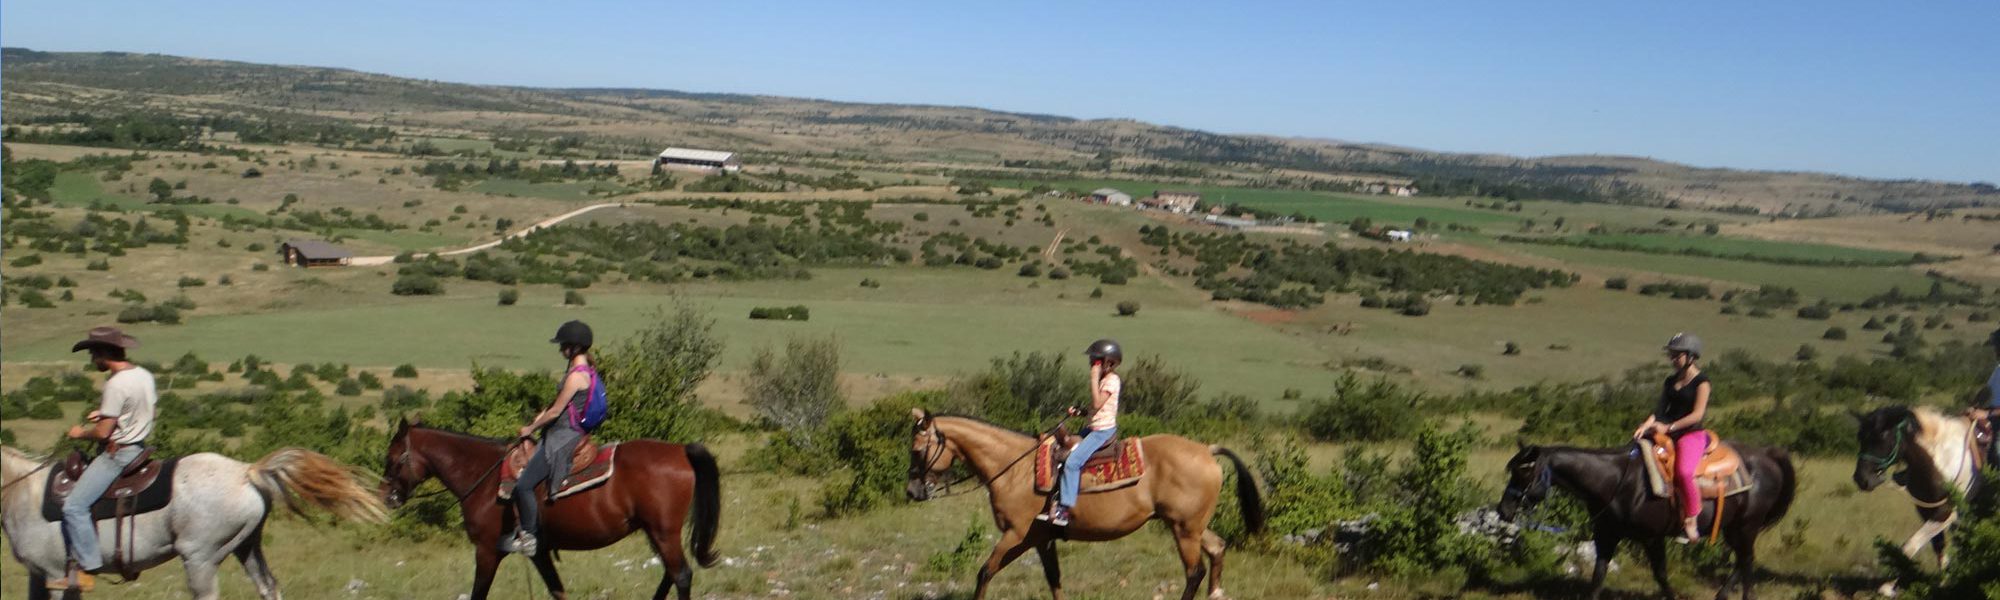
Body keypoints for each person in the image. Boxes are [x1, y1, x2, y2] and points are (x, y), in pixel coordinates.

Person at [60, 327, 157, 590]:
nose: (92, 360)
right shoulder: (143, 374)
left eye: (94, 354)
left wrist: (81, 433)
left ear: (105, 353)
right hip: (140, 446)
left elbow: (104, 432)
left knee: (74, 507)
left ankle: (88, 567)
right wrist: (104, 412)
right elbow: (141, 410)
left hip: (119, 454)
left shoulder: (115, 383)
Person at [503, 320, 600, 557]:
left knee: (524, 486)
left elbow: (557, 412)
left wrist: (530, 428)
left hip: (562, 437)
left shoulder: (576, 376)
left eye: (563, 346)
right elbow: (557, 406)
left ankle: (530, 536)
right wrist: (540, 417)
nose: (560, 350)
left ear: (573, 348)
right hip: (564, 431)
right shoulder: (584, 371)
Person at [1632, 332, 1710, 542]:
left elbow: (1697, 415)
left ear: (1691, 356)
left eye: (1677, 355)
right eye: (1672, 355)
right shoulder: (1670, 381)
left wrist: (1669, 427)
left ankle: (1692, 517)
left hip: (1690, 434)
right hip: (1666, 430)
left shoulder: (1702, 383)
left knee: (1684, 472)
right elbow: (1659, 409)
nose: (1673, 359)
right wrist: (1646, 425)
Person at [1042, 339, 1122, 527]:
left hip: (1102, 432)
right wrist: (1080, 412)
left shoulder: (1112, 380)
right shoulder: (1104, 379)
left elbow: (1097, 403)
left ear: (1109, 363)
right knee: (1063, 447)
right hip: (1093, 426)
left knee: (1072, 463)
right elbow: (1095, 409)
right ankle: (1055, 494)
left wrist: (1093, 378)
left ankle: (1065, 510)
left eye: (1095, 361)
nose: (1091, 364)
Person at [1963, 328, 2000, 465]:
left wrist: (1986, 414)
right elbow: (1986, 391)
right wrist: (1972, 407)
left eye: (1997, 346)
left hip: (1996, 416)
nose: (1995, 350)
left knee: (1996, 450)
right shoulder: (1998, 369)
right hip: (1991, 414)